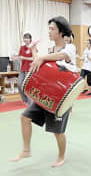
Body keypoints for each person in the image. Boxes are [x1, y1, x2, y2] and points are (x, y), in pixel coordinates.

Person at [11, 16, 75, 167]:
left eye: (52, 29)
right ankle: (26, 150)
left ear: (61, 32)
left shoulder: (69, 47)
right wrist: (33, 50)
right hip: (45, 93)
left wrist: (42, 57)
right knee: (24, 117)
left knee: (57, 131)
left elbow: (62, 56)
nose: (49, 32)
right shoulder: (50, 50)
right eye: (49, 29)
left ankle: (61, 156)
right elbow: (39, 62)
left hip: (60, 97)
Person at [16, 33, 36, 105]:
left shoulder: (33, 47)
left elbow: (34, 58)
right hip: (22, 69)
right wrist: (16, 58)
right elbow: (19, 57)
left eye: (27, 38)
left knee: (27, 85)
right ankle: (25, 100)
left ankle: (29, 101)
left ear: (30, 39)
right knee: (19, 84)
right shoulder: (22, 47)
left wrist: (24, 58)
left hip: (30, 69)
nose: (25, 39)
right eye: (24, 38)